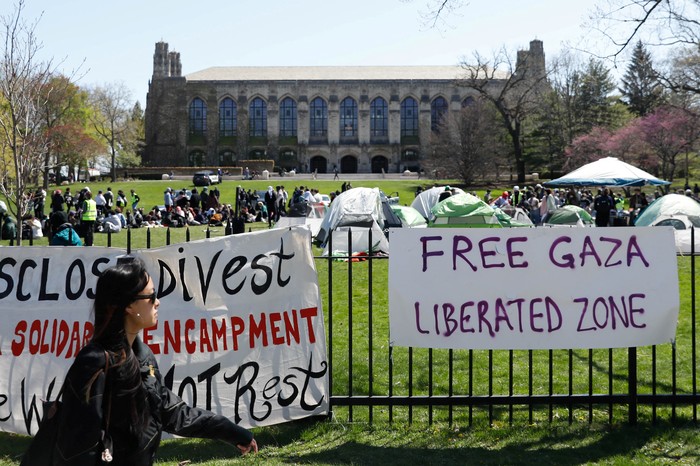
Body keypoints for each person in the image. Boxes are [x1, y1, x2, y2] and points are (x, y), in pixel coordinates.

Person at [47, 258, 257, 464]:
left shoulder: (142, 355)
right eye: (151, 296)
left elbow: (170, 411)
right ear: (128, 305)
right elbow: (76, 445)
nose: (157, 302)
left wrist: (231, 431)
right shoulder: (93, 363)